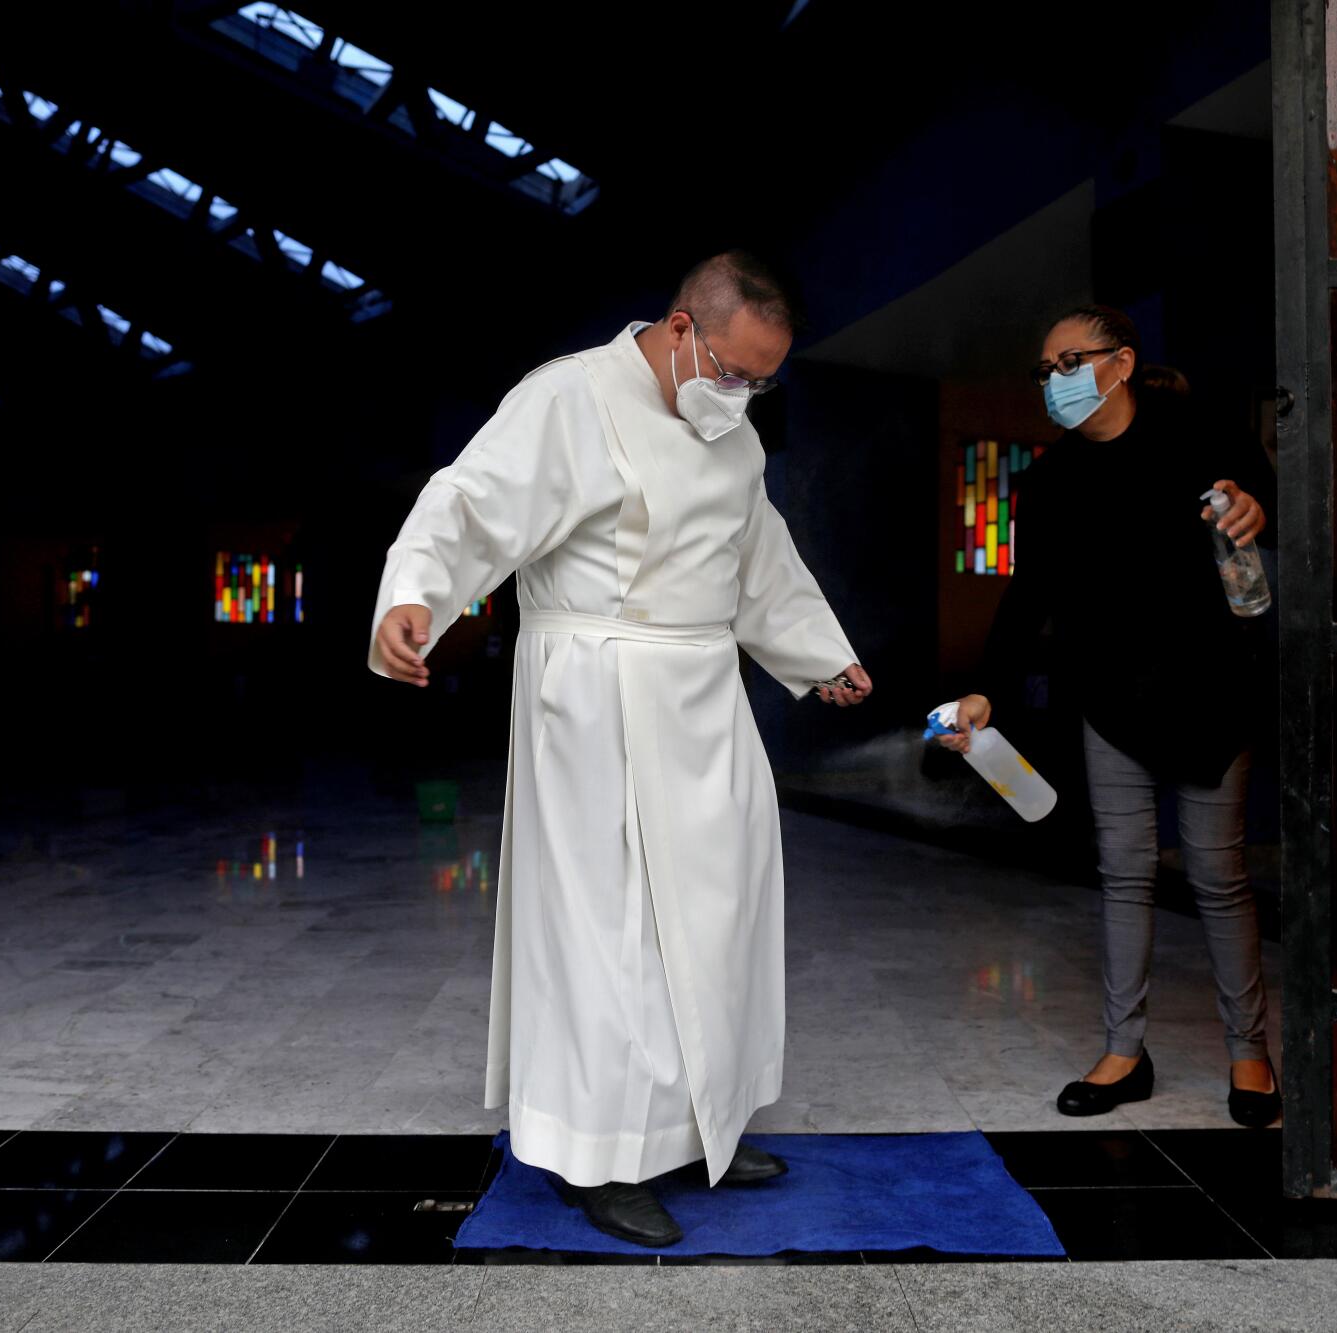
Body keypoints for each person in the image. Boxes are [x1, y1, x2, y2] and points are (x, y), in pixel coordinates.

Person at [370, 252, 873, 1245]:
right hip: (593, 694)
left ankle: (701, 1129)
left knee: (718, 915)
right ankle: (602, 1154)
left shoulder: (729, 435)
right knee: (608, 935)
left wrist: (820, 659)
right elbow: (469, 500)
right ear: (683, 329)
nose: (744, 393)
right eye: (734, 369)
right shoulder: (568, 397)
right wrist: (414, 596)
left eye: (764, 378)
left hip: (703, 694)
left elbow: (757, 557)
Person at [935, 304, 1281, 1128]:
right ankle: (1125, 1051)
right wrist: (990, 687)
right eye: (1044, 368)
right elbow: (1029, 595)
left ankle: (1250, 1053)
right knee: (1123, 875)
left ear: (1120, 363)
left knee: (1217, 878)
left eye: (1069, 361)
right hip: (1112, 699)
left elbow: (1257, 497)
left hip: (1208, 689)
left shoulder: (1200, 434)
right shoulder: (1049, 480)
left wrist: (1250, 506)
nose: (1054, 379)